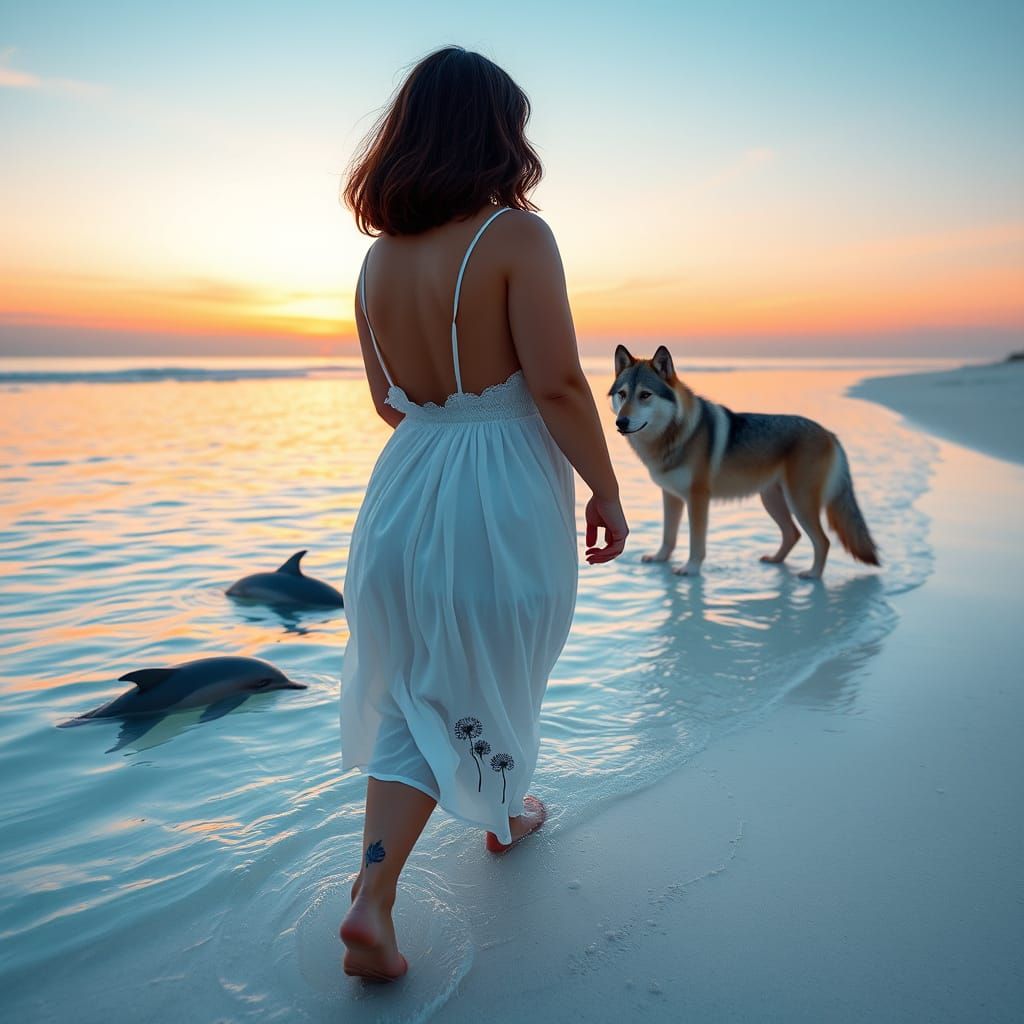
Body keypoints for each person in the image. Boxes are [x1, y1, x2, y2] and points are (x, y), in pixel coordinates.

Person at [337, 45, 628, 981]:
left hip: (404, 487)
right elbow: (558, 383)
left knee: (422, 676)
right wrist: (607, 487)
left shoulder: (373, 266)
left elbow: (390, 402)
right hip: (494, 486)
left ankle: (395, 883)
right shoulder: (515, 238)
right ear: (493, 131)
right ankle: (445, 854)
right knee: (498, 658)